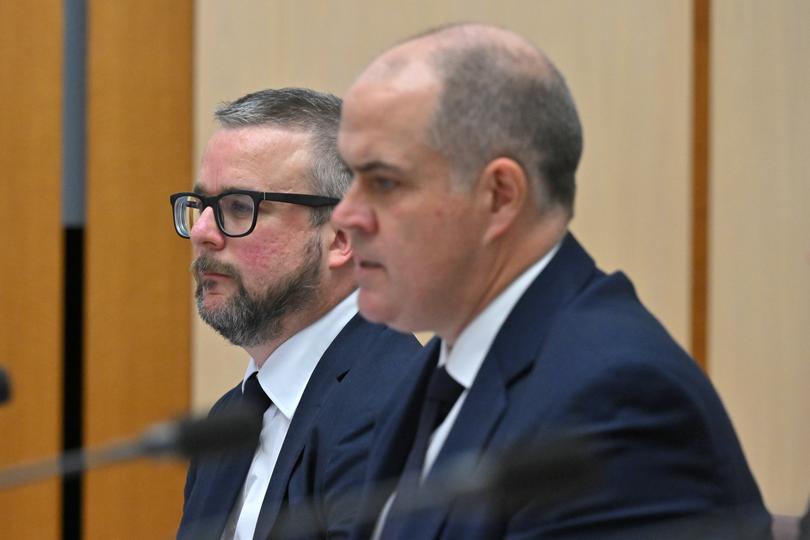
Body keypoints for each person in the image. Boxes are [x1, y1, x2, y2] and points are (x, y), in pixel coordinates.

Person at [332, 23, 773, 539]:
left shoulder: (614, 403)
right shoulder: (436, 372)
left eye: (383, 181)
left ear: (499, 196)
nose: (346, 215)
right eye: (350, 178)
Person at [172, 88, 421, 540]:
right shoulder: (230, 423)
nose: (204, 233)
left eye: (238, 207)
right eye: (201, 206)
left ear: (342, 237)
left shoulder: (394, 409)